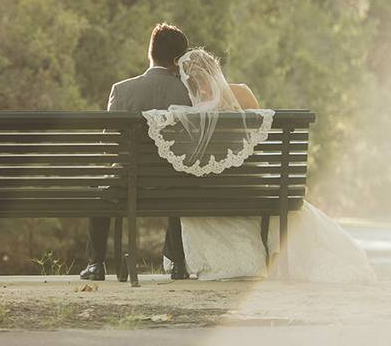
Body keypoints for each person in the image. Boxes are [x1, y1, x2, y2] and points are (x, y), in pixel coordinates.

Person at [144, 48, 377, 283]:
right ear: (215, 69)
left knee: (192, 206)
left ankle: (235, 263)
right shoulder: (242, 93)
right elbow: (260, 144)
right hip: (254, 190)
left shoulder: (188, 112)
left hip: (214, 196)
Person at [80, 22, 192, 281]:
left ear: (150, 52)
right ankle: (177, 262)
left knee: (100, 191)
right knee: (182, 184)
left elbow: (110, 147)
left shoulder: (122, 90)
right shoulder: (186, 91)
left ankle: (96, 264)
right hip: (171, 183)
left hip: (127, 181)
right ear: (177, 60)